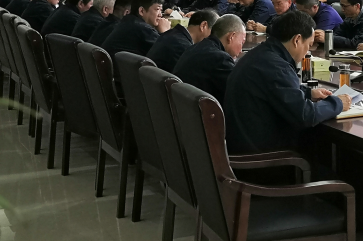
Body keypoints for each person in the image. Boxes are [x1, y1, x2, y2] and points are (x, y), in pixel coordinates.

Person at [224, 10, 351, 154]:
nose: (308, 52)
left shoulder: (260, 54)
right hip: (262, 156)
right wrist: (338, 103)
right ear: (297, 40)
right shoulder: (278, 67)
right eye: (309, 45)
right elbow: (305, 115)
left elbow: (273, 89)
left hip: (242, 145)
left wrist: (308, 93)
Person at [174, 14, 246, 103]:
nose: (241, 50)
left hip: (181, 105)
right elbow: (240, 93)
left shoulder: (195, 47)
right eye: (242, 42)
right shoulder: (220, 59)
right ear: (231, 36)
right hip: (196, 108)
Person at [101, 0, 171, 59]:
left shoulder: (128, 21)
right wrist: (166, 32)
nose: (160, 15)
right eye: (157, 9)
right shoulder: (142, 28)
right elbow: (167, 54)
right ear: (141, 11)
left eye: (161, 10)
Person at [147, 9, 219, 71]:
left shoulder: (173, 35)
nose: (215, 38)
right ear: (203, 25)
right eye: (214, 33)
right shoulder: (185, 48)